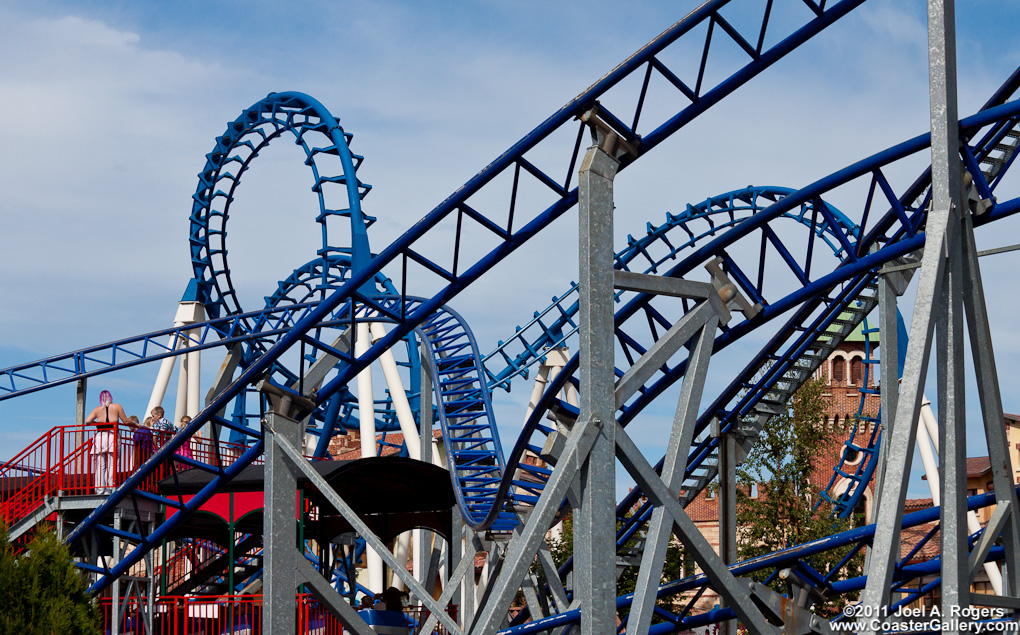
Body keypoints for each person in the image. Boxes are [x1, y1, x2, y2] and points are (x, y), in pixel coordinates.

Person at [84, 390, 129, 495]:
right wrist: (134, 423)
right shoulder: (117, 406)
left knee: (100, 465)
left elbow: (87, 421)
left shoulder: (97, 409)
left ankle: (100, 489)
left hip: (100, 436)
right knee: (111, 464)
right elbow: (125, 421)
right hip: (112, 435)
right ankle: (109, 488)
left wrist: (98, 423)